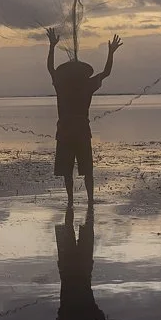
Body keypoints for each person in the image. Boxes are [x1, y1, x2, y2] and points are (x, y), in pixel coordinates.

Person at [46, 27, 122, 205]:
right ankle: (88, 200)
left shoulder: (62, 85)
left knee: (69, 171)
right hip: (79, 132)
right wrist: (111, 53)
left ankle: (73, 201)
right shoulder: (86, 85)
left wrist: (51, 47)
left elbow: (50, 68)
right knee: (85, 170)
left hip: (67, 132)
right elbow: (106, 73)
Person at [51, 204, 126, 320]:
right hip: (70, 266)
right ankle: (73, 204)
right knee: (71, 229)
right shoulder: (71, 313)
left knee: (82, 228)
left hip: (80, 266)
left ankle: (71, 203)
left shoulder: (87, 312)